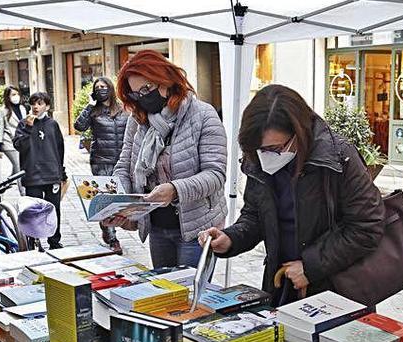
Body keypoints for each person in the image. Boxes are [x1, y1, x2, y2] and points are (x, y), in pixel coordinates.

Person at [198, 85, 384, 306]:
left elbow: (367, 225)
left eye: (274, 148)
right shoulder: (257, 158)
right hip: (281, 283)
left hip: (337, 288)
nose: (266, 156)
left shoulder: (338, 157)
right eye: (259, 149)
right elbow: (255, 215)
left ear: (299, 133)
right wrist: (231, 238)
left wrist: (310, 267)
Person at [108, 50, 227, 268]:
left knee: (189, 297)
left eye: (146, 89)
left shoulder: (203, 115)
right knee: (164, 295)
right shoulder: (138, 120)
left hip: (197, 229)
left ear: (166, 81)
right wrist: (118, 201)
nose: (143, 98)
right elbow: (124, 165)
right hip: (156, 227)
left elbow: (215, 175)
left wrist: (174, 189)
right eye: (136, 94)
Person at [73, 76, 128, 252]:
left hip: (122, 160)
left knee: (121, 198)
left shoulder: (123, 108)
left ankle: (109, 227)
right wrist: (89, 105)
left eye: (104, 86)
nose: (101, 89)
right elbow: (79, 126)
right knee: (105, 199)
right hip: (101, 160)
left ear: (110, 88)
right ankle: (112, 238)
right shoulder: (93, 111)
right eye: (98, 87)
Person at [13, 91, 67, 250]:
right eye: (33, 104)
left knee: (53, 209)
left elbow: (60, 149)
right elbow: (19, 146)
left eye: (40, 103)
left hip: (51, 175)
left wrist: (61, 173)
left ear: (47, 106)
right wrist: (28, 128)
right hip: (32, 175)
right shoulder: (24, 124)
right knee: (32, 211)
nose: (36, 107)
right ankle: (32, 241)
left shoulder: (52, 124)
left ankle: (54, 241)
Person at [0, 85, 27, 194]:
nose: (16, 96)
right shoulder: (2, 110)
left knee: (16, 167)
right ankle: (23, 193)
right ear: (7, 97)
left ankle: (4, 185)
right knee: (19, 166)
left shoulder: (22, 108)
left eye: (17, 94)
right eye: (13, 94)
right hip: (8, 143)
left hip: (21, 142)